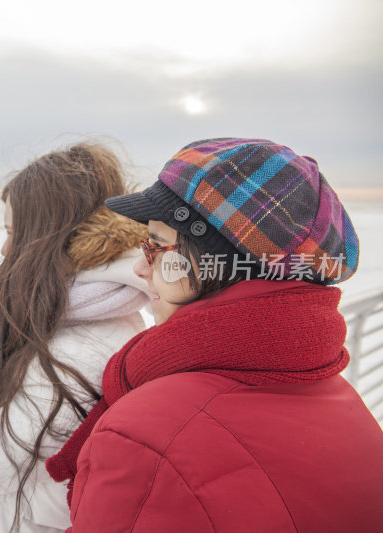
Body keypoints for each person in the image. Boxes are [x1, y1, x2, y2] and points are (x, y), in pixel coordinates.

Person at [46, 138, 383, 532]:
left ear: (216, 262)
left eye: (156, 247)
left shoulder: (147, 435)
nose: (140, 267)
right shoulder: (342, 400)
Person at [0, 142, 152, 532]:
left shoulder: (86, 349)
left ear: (49, 238)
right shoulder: (77, 315)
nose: (4, 249)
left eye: (13, 233)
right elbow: (2, 383)